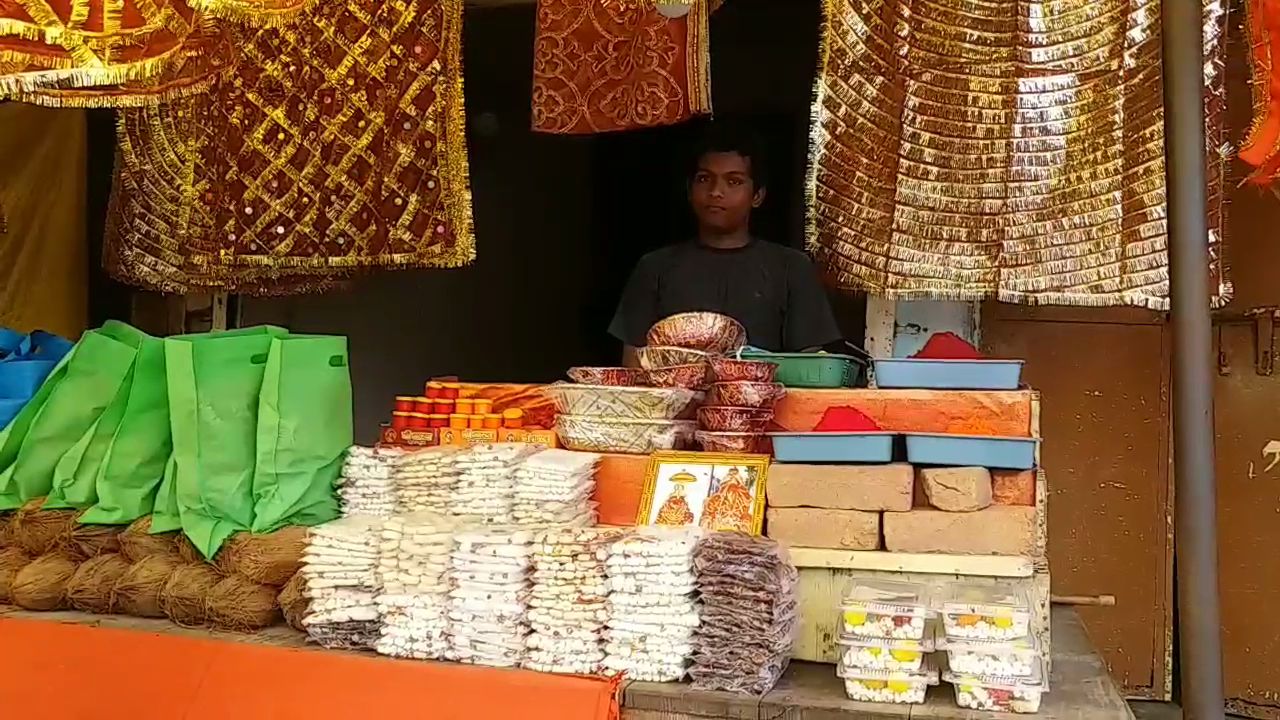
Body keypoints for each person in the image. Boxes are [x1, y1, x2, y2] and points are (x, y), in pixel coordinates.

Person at [609, 123, 842, 364]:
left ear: (757, 196)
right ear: (689, 190)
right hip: (674, 400)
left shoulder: (791, 268)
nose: (716, 192)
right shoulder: (655, 268)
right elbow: (634, 363)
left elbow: (810, 365)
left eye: (734, 182)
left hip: (765, 400)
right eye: (704, 179)